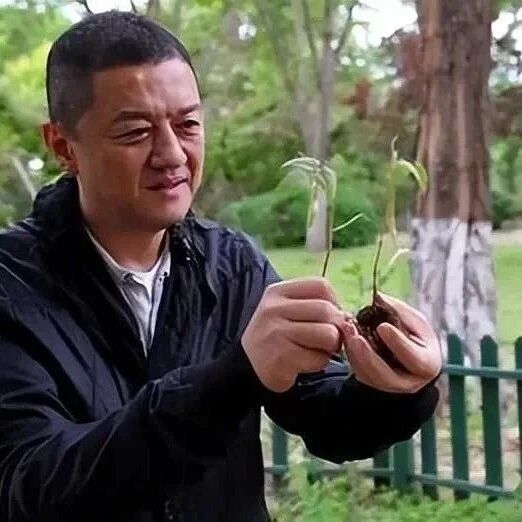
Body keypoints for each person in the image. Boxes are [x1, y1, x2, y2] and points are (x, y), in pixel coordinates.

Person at [0, 10, 441, 522]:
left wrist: (396, 387)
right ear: (62, 146)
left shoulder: (229, 265)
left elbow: (326, 418)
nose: (172, 155)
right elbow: (33, 487)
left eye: (187, 124)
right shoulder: (12, 287)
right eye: (135, 132)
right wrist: (231, 381)